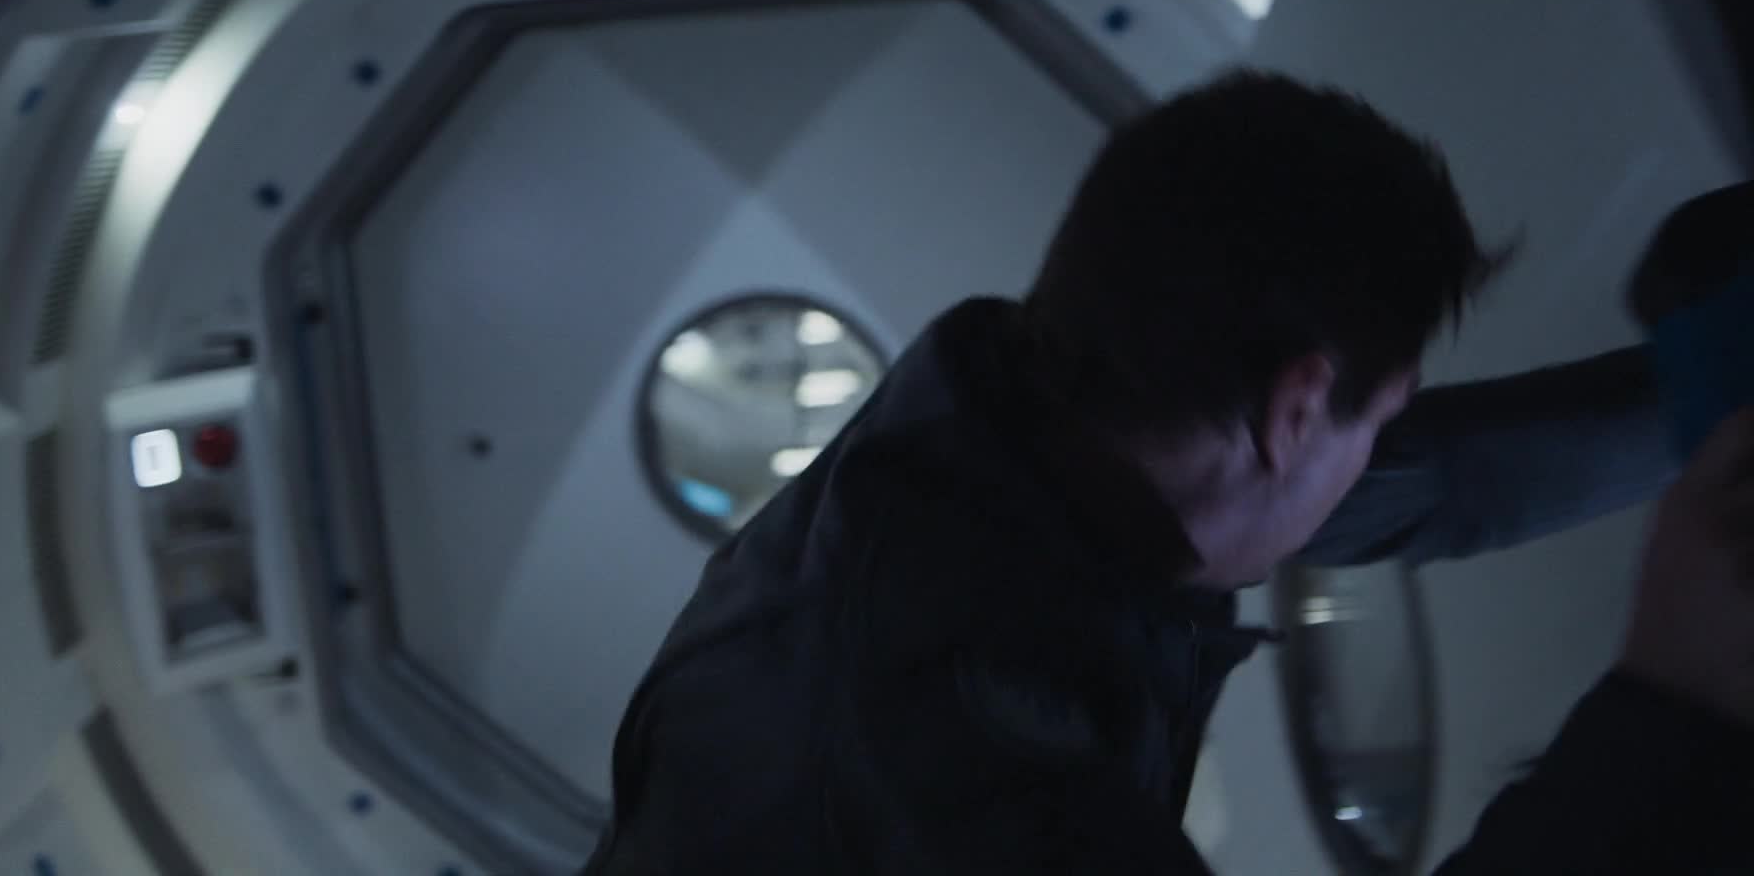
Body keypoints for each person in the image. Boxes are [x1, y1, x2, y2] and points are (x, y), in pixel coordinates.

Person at [583, 72, 1754, 874]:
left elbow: (1425, 483)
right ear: (1295, 410)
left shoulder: (1028, 425)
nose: (1370, 456)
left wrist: (1715, 409)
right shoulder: (956, 769)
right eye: (1374, 414)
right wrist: (1669, 702)